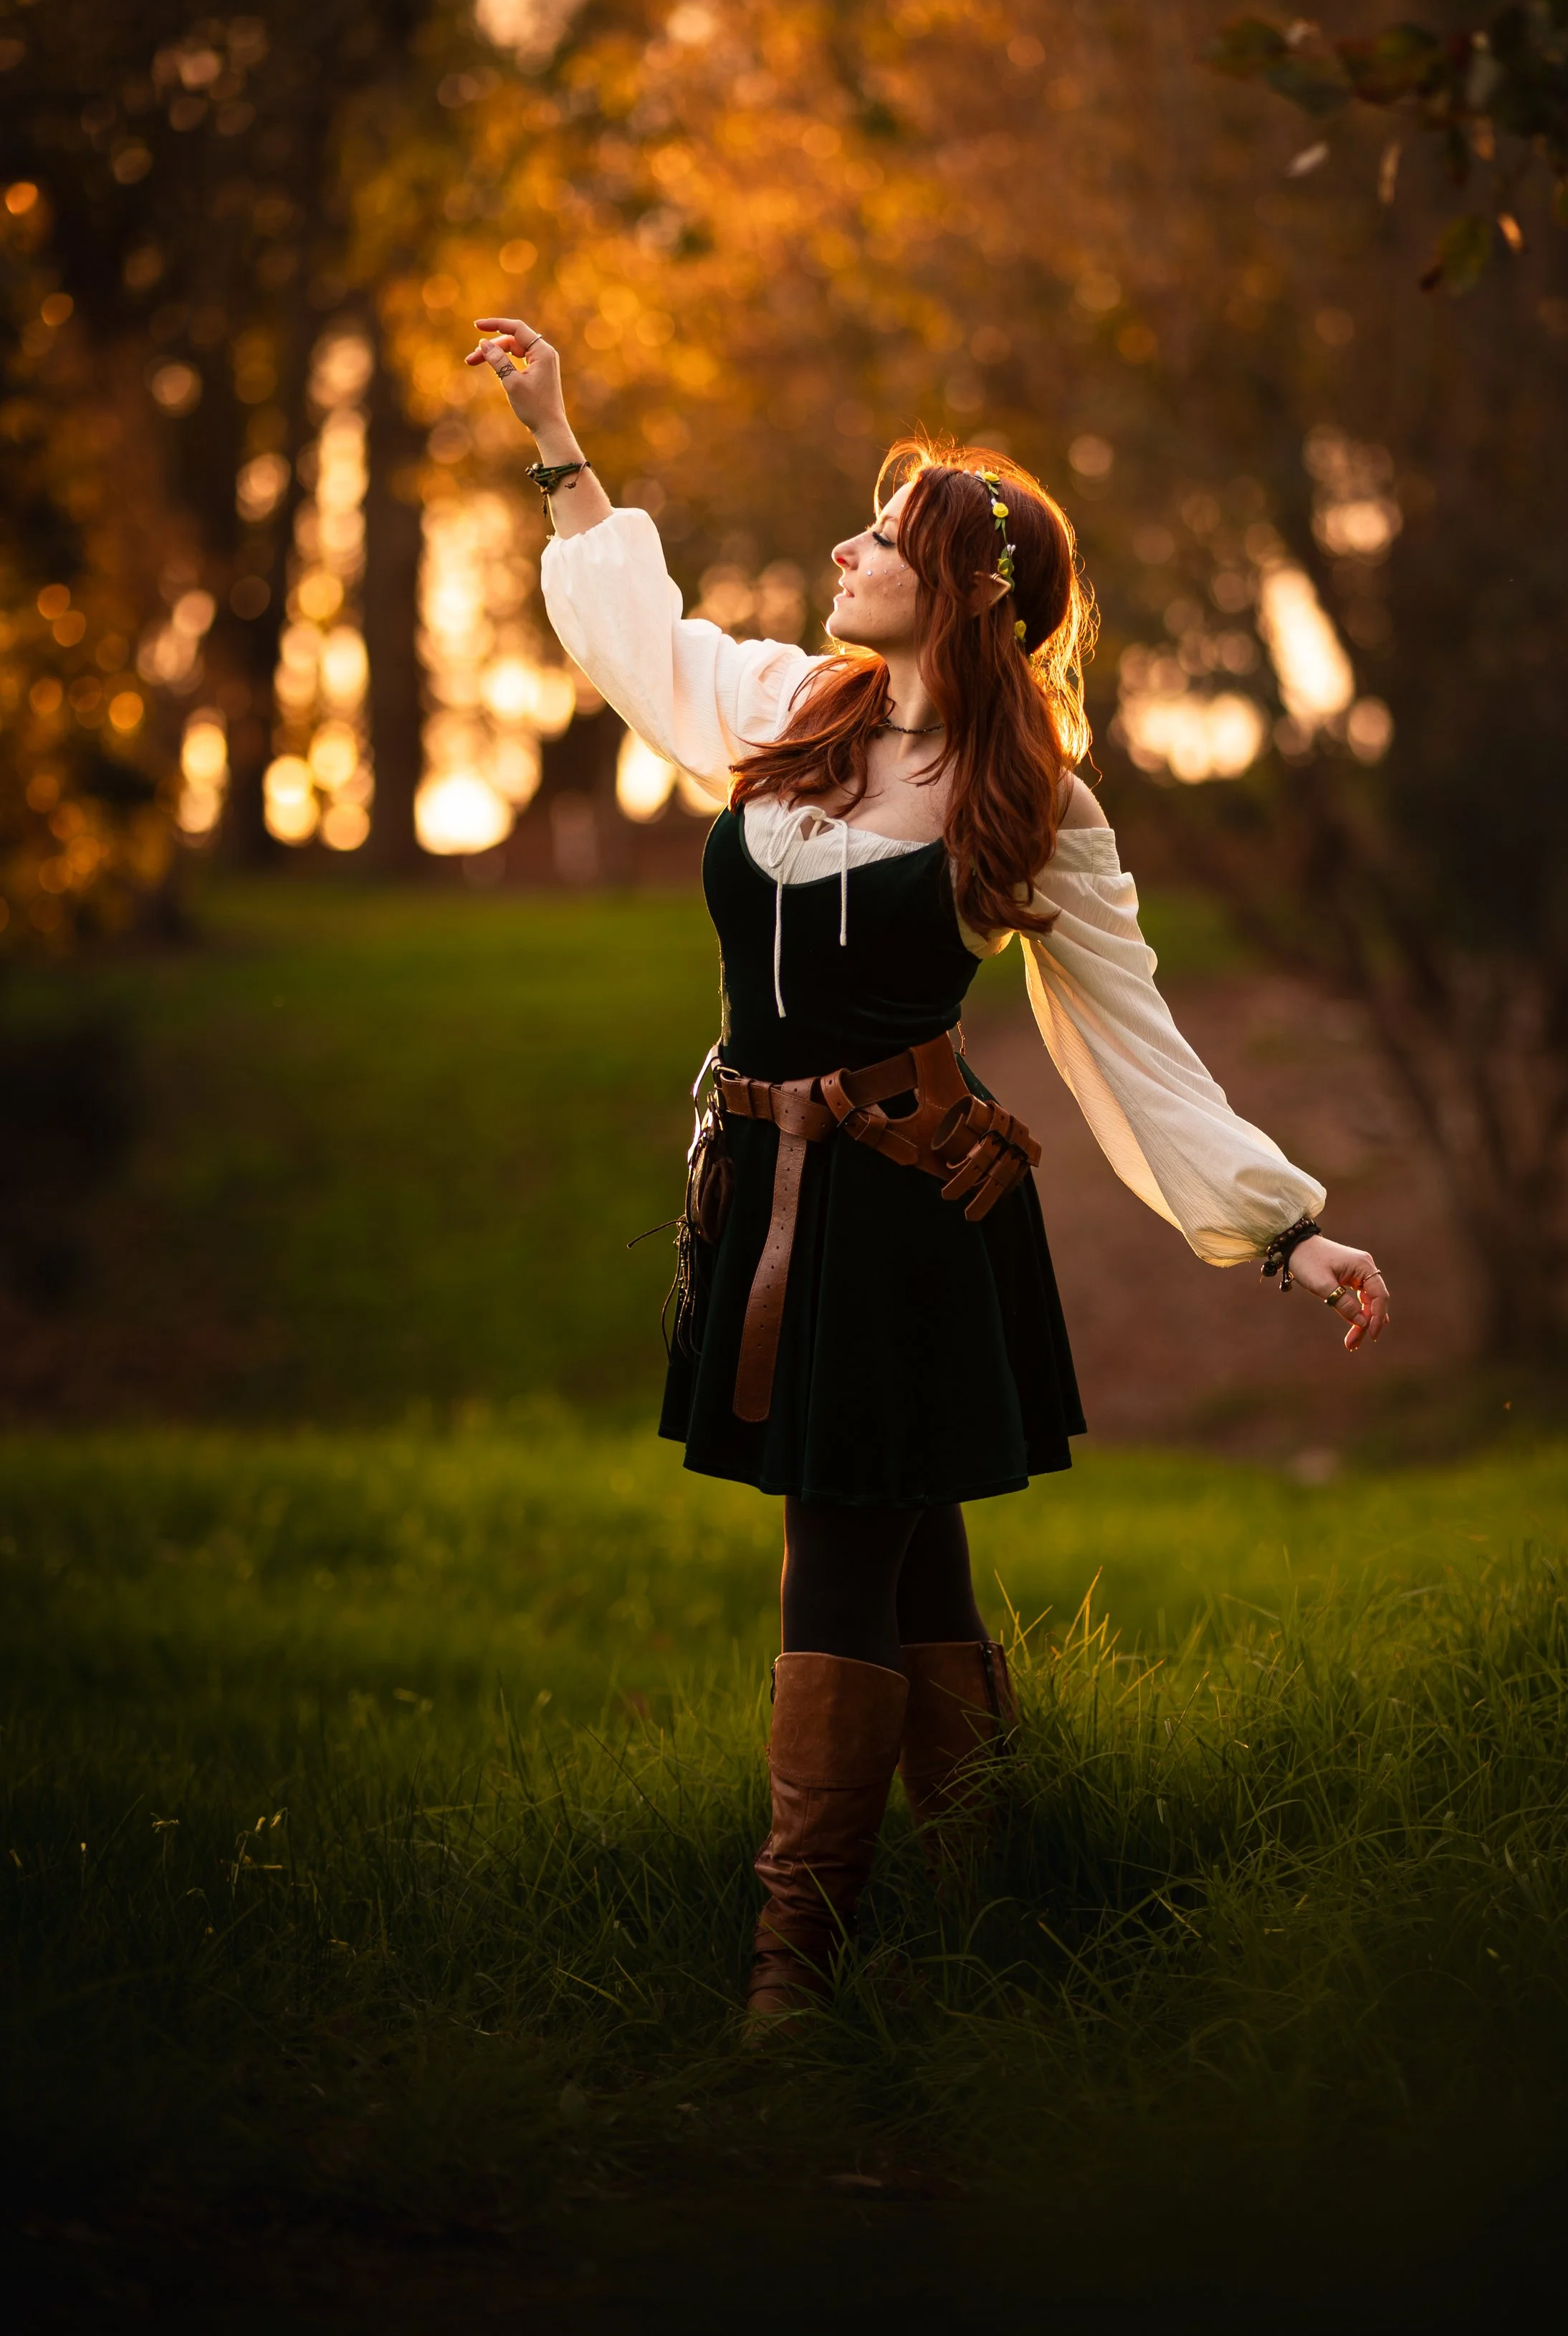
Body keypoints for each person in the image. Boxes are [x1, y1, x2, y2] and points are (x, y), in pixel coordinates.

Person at [466, 313, 1391, 2023]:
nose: (847, 547)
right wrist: (558, 437)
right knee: (913, 1558)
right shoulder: (789, 711)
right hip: (762, 1191)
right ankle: (996, 1903)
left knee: (844, 1540)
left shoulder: (1029, 802)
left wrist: (1284, 1234)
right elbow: (638, 638)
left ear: (969, 592)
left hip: (906, 1209)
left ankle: (788, 1965)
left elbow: (1130, 1038)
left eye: (885, 540)